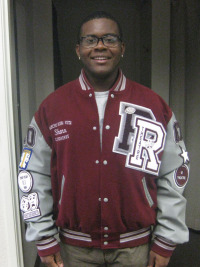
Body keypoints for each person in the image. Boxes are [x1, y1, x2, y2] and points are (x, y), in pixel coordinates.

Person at [18, 11, 190, 267]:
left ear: (122, 48)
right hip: (73, 250)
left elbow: (174, 173)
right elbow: (32, 174)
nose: (100, 46)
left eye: (109, 39)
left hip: (135, 248)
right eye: (90, 39)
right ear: (78, 49)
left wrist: (166, 239)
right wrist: (43, 238)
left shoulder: (153, 106)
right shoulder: (52, 108)